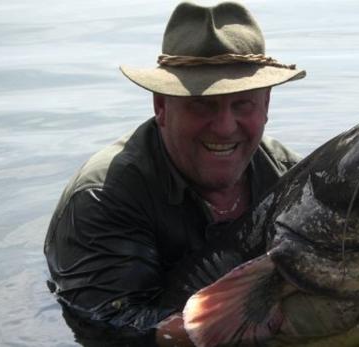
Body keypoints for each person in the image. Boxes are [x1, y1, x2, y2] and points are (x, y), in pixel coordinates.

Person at [43, 2, 305, 346]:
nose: (225, 128)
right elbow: (105, 321)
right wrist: (228, 326)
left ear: (266, 105)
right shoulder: (102, 195)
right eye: (202, 103)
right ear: (161, 107)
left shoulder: (290, 178)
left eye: (243, 103)